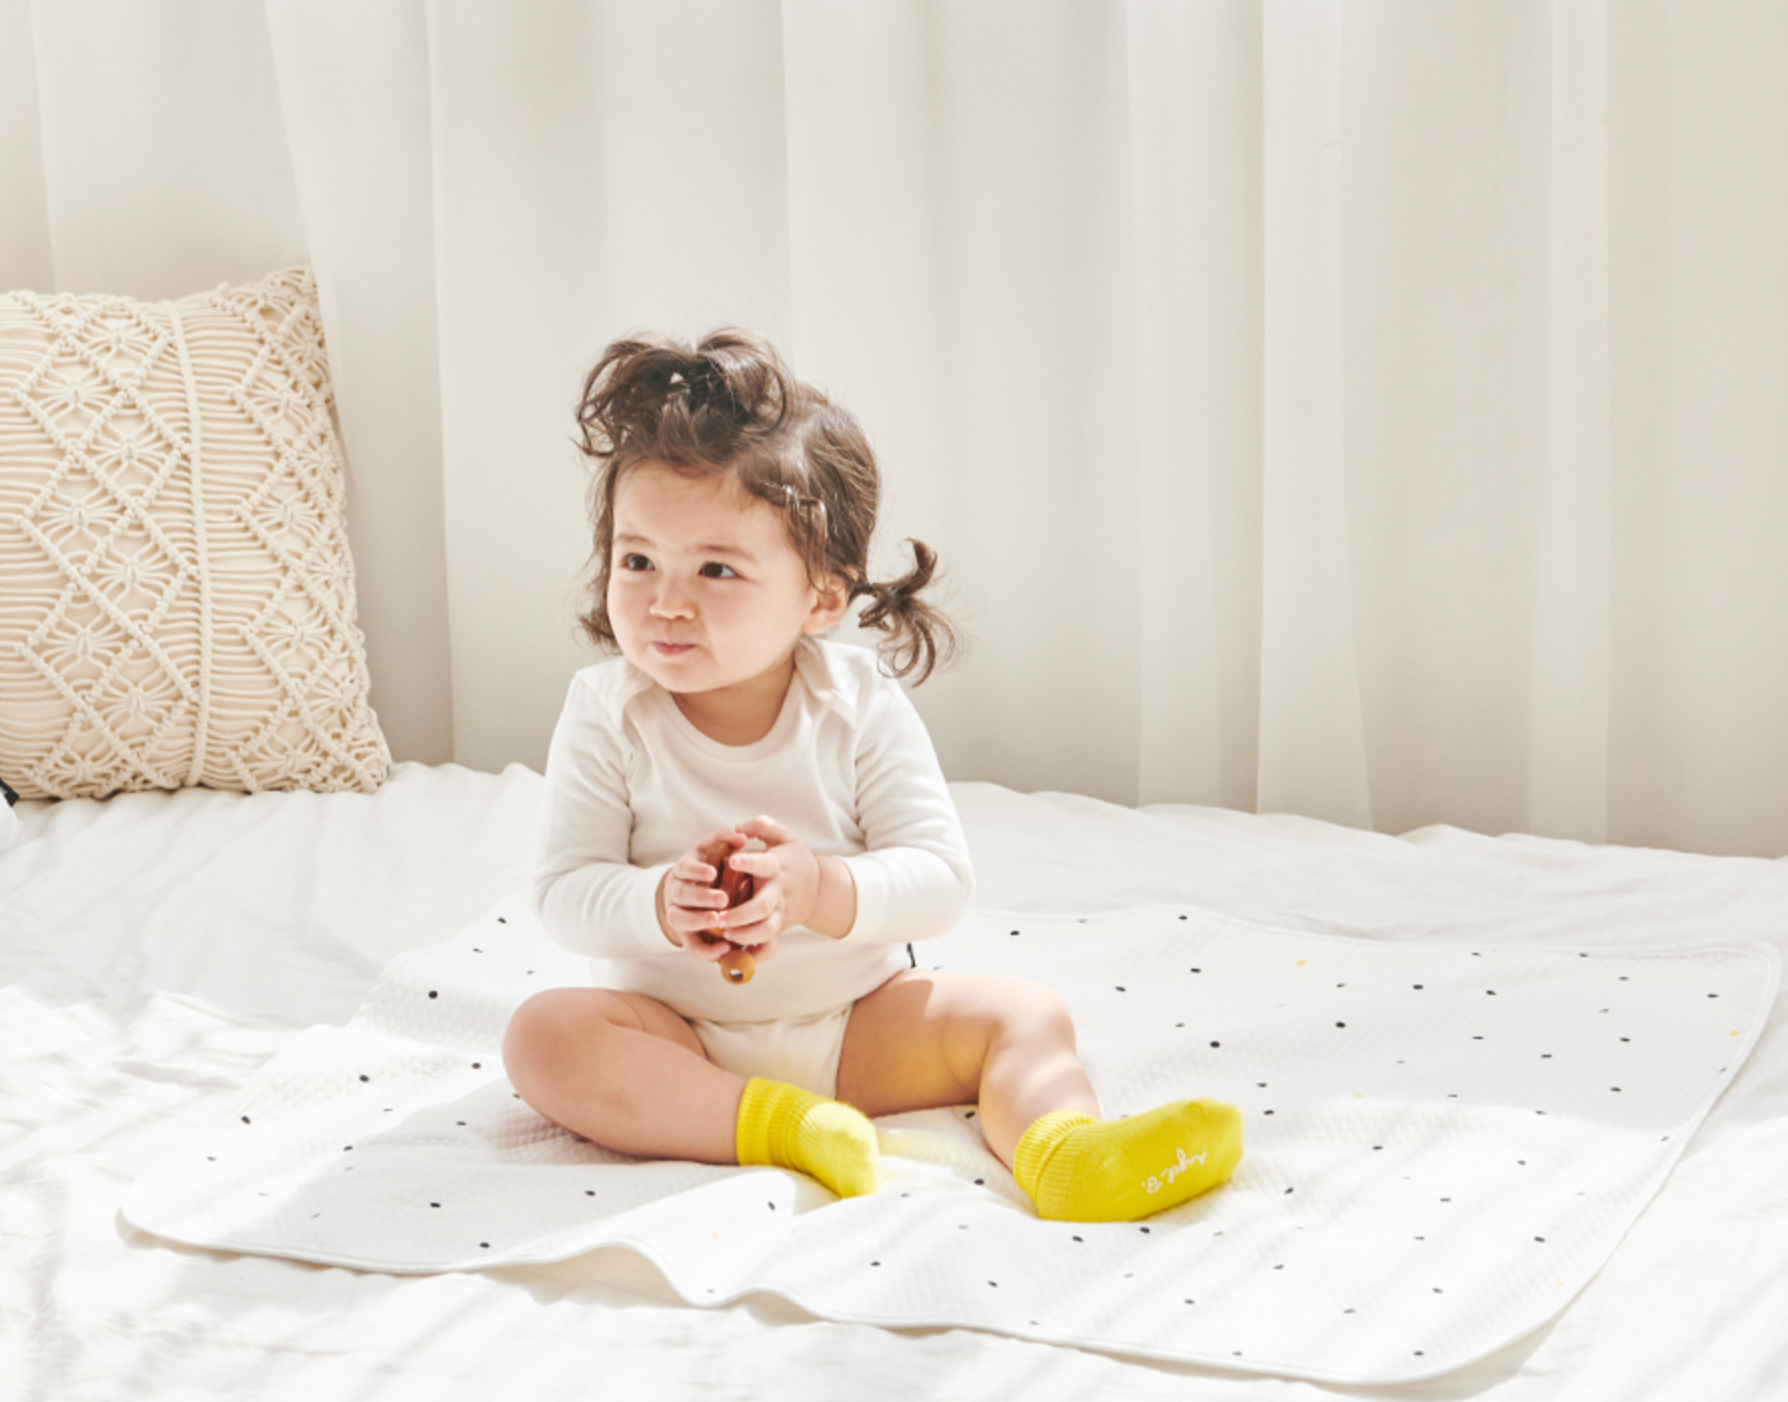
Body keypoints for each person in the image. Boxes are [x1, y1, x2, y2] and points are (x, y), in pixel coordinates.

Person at [502, 329, 1242, 1222]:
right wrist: (660, 904)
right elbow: (565, 892)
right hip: (675, 1042)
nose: (665, 600)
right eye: (637, 559)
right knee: (544, 1038)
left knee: (1023, 1013)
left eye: (717, 569)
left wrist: (819, 889)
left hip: (857, 1023)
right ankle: (784, 1127)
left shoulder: (856, 702)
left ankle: (1067, 1155)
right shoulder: (606, 712)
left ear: (820, 596)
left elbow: (938, 881)